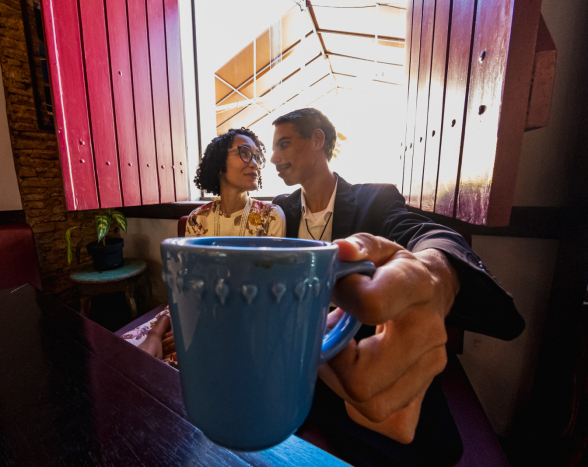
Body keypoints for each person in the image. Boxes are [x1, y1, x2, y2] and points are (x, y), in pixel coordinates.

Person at [269, 108, 524, 465]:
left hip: (362, 367)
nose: (273, 158)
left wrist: (436, 274)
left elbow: (427, 234)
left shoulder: (375, 199)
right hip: (289, 367)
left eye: (284, 144)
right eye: (273, 148)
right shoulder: (277, 212)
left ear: (317, 140)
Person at [124, 128, 286, 363]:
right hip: (197, 316)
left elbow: (265, 297)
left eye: (257, 157)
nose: (255, 163)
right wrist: (156, 332)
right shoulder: (198, 219)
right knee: (135, 360)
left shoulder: (270, 216)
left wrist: (199, 333)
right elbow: (187, 286)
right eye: (244, 153)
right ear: (220, 162)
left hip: (246, 328)